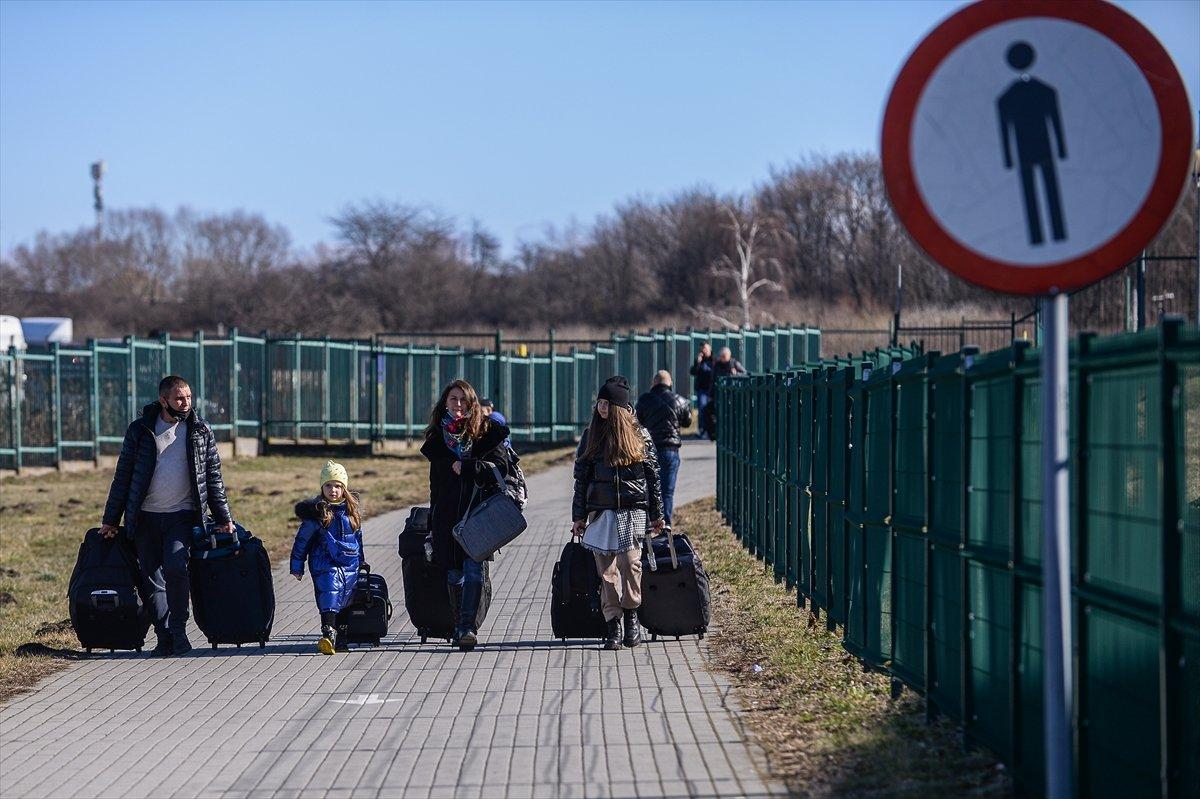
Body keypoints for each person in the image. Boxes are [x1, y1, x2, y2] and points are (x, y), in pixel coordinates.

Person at [99, 375, 232, 657]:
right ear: (163, 401)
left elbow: (213, 477)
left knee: (175, 567)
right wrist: (111, 519)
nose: (185, 404)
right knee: (151, 577)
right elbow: (122, 477)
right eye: (179, 399)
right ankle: (163, 635)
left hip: (182, 516)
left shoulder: (200, 431)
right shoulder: (140, 431)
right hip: (145, 517)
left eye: (188, 398)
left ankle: (179, 631)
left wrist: (224, 518)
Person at [420, 379, 517, 651]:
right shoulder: (438, 439)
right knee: (452, 573)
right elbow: (435, 485)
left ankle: (467, 627)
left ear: (473, 403)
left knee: (473, 569)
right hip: (447, 515)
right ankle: (457, 622)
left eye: (464, 400)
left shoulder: (488, 432)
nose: (459, 405)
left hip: (479, 514)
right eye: (453, 399)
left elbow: (501, 469)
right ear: (445, 403)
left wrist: (470, 467)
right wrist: (431, 522)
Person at [571, 376, 665, 650]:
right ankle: (613, 622)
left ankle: (632, 612)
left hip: (632, 510)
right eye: (600, 402)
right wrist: (578, 516)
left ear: (621, 407)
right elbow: (582, 480)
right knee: (606, 571)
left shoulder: (639, 435)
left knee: (630, 563)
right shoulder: (591, 436)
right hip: (600, 513)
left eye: (608, 403)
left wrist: (658, 514)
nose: (602, 408)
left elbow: (653, 477)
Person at [290, 461, 364, 655]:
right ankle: (328, 633)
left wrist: (362, 561)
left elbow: (358, 539)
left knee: (347, 599)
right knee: (329, 594)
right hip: (325, 563)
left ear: (344, 488)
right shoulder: (317, 514)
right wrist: (297, 566)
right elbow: (302, 541)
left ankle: (343, 635)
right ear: (322, 487)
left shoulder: (351, 513)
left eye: (338, 486)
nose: (333, 490)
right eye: (329, 485)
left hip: (349, 564)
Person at [635, 370, 691, 526]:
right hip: (670, 451)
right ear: (670, 382)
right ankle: (665, 526)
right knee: (667, 491)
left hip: (648, 450)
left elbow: (637, 422)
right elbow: (687, 422)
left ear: (653, 383)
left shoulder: (645, 400)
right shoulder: (680, 400)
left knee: (648, 488)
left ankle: (647, 525)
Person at [704, 347, 747, 439]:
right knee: (712, 413)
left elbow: (746, 374)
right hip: (719, 395)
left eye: (724, 356)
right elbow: (713, 380)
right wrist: (710, 394)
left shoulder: (734, 363)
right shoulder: (717, 365)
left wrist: (736, 374)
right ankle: (715, 434)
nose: (722, 358)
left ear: (729, 356)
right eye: (721, 356)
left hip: (732, 396)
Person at [688, 343, 714, 439]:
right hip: (702, 390)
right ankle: (702, 430)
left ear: (710, 349)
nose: (704, 351)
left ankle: (711, 430)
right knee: (702, 409)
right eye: (702, 350)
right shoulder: (699, 360)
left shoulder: (714, 360)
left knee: (712, 411)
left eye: (706, 349)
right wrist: (698, 362)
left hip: (712, 389)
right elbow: (693, 372)